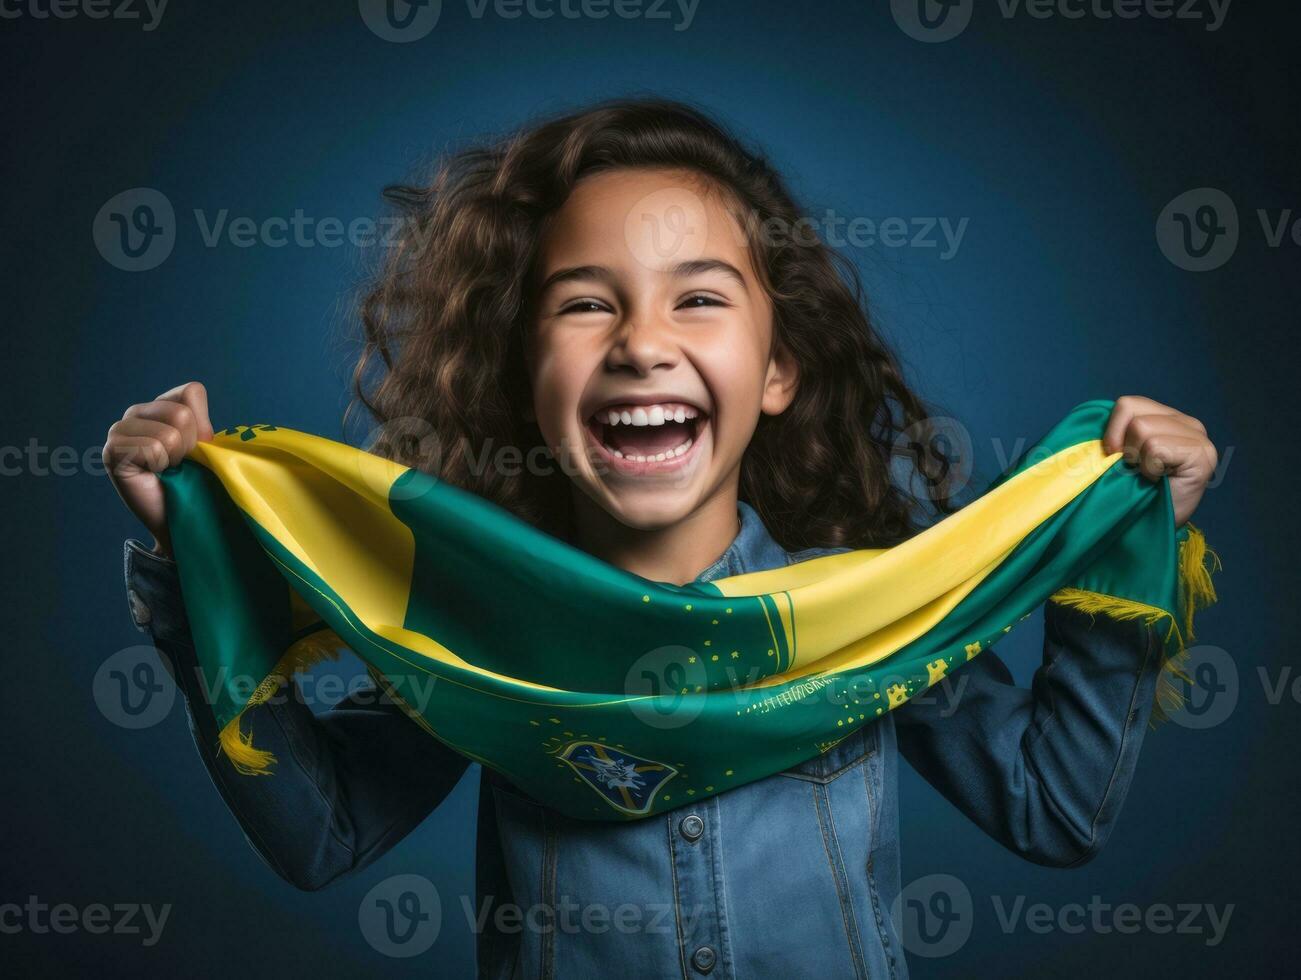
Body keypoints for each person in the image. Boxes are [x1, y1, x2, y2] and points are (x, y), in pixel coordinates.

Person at [103, 98, 1217, 979]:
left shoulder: (872, 617)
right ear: (520, 376)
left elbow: (1052, 806)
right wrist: (194, 563)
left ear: (776, 370)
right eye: (586, 303)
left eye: (698, 299)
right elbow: (320, 833)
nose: (641, 343)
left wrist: (1124, 535)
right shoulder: (477, 638)